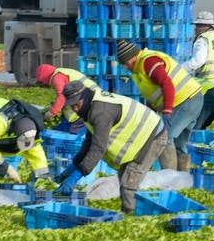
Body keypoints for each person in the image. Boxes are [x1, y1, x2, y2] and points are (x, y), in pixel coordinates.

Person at [55, 80, 168, 214]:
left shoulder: (100, 112)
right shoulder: (89, 107)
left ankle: (132, 220)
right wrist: (73, 167)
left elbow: (98, 148)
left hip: (152, 136)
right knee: (124, 179)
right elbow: (89, 142)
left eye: (77, 104)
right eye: (71, 106)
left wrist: (77, 175)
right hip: (139, 137)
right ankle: (130, 213)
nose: (75, 109)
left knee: (129, 184)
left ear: (84, 97)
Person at [116, 39, 203, 172]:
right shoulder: (139, 68)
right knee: (179, 143)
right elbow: (153, 95)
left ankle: (169, 180)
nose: (126, 67)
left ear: (133, 57)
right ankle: (182, 179)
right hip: (190, 99)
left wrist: (167, 110)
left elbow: (167, 84)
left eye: (126, 63)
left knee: (165, 138)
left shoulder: (149, 62)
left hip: (186, 100)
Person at [35, 63, 100, 121]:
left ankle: (75, 125)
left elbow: (61, 96)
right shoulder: (60, 72)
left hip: (89, 95)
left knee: (70, 109)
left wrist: (52, 112)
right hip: (92, 92)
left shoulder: (57, 78)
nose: (43, 84)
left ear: (44, 77)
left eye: (42, 81)